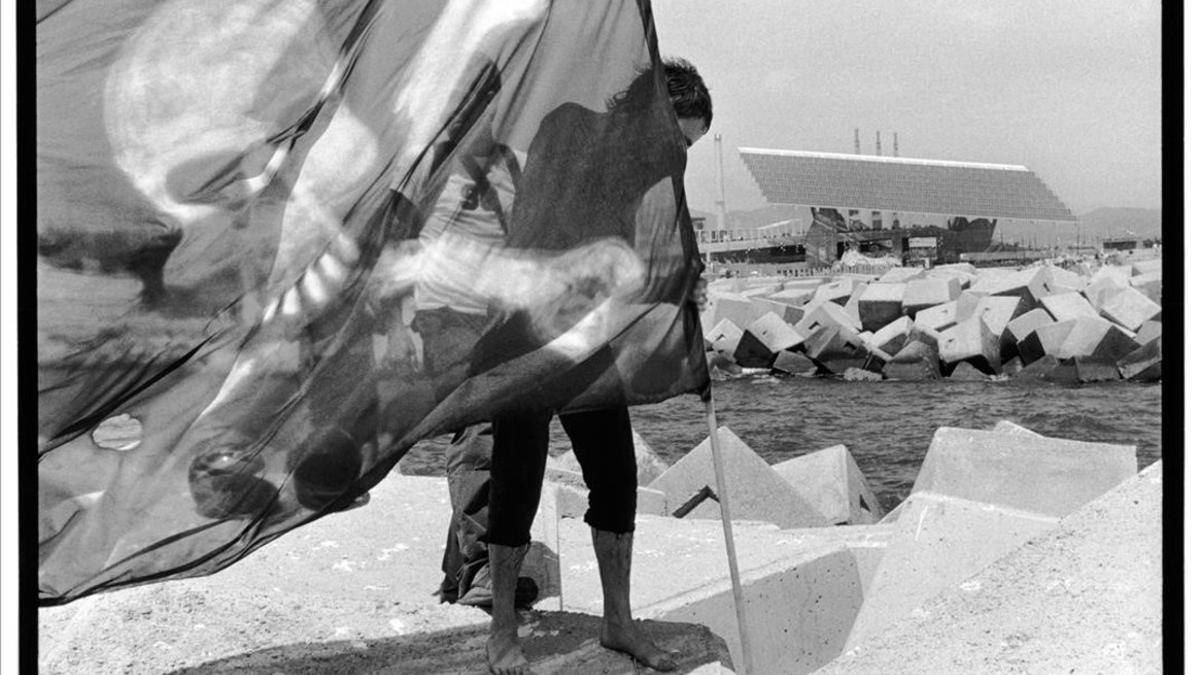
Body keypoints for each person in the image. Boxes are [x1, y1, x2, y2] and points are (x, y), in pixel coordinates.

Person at [480, 57, 712, 675]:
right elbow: (545, 216)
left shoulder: (646, 175)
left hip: (588, 337)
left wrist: (682, 280)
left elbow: (634, 258)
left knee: (616, 475)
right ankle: (503, 630)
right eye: (680, 139)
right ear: (654, 115)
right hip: (528, 332)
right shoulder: (568, 126)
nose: (679, 156)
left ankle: (618, 621)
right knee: (518, 475)